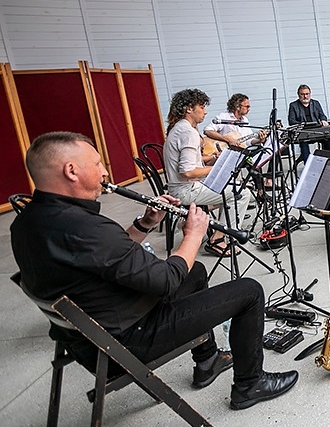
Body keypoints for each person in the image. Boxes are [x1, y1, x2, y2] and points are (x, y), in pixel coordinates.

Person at [10, 132, 298, 410]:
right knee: (249, 291)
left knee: (194, 270)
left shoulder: (28, 221)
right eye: (97, 164)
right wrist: (194, 235)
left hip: (88, 336)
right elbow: (166, 281)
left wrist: (145, 224)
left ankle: (207, 359)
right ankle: (250, 384)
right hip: (125, 340)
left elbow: (105, 257)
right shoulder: (86, 229)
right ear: (71, 171)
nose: (104, 172)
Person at [164, 89, 251, 257]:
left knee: (233, 187)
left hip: (182, 187)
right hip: (185, 190)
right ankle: (217, 239)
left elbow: (190, 162)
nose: (205, 111)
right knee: (241, 193)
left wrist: (211, 158)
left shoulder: (180, 128)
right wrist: (218, 168)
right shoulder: (188, 132)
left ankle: (216, 228)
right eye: (202, 107)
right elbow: (188, 172)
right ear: (189, 109)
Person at [288, 84, 330, 163]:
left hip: (317, 130)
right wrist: (302, 125)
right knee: (303, 143)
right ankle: (308, 164)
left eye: (307, 94)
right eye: (302, 94)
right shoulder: (293, 105)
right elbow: (291, 121)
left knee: (328, 139)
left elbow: (322, 115)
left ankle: (327, 161)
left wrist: (323, 120)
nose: (305, 96)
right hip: (304, 131)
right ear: (298, 95)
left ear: (310, 94)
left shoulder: (315, 103)